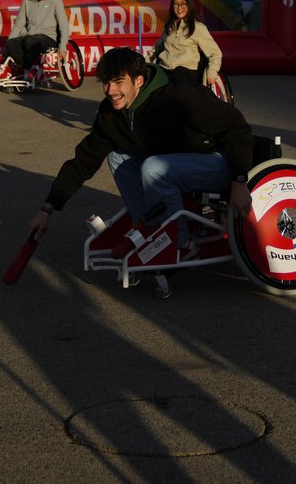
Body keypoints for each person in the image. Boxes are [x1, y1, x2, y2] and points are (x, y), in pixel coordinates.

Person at [27, 48, 253, 298]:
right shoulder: (112, 112)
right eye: (107, 83)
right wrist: (47, 208)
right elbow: (84, 160)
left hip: (218, 163)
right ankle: (152, 233)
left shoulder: (180, 97)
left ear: (139, 80)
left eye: (119, 82)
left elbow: (237, 129)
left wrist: (239, 180)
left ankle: (181, 244)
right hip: (174, 164)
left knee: (153, 167)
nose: (111, 90)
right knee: (117, 156)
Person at [1, 0, 70, 75]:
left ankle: (27, 67)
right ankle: (26, 65)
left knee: (30, 42)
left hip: (48, 37)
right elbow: (18, 25)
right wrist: (9, 45)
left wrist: (63, 47)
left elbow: (64, 26)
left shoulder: (56, 1)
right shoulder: (26, 1)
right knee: (10, 43)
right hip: (30, 36)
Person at [153, 0, 224, 88]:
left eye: (183, 4)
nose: (179, 8)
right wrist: (144, 63)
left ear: (189, 6)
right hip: (165, 70)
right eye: (176, 4)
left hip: (186, 73)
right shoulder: (169, 26)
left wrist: (212, 72)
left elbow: (215, 53)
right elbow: (157, 49)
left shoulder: (198, 27)